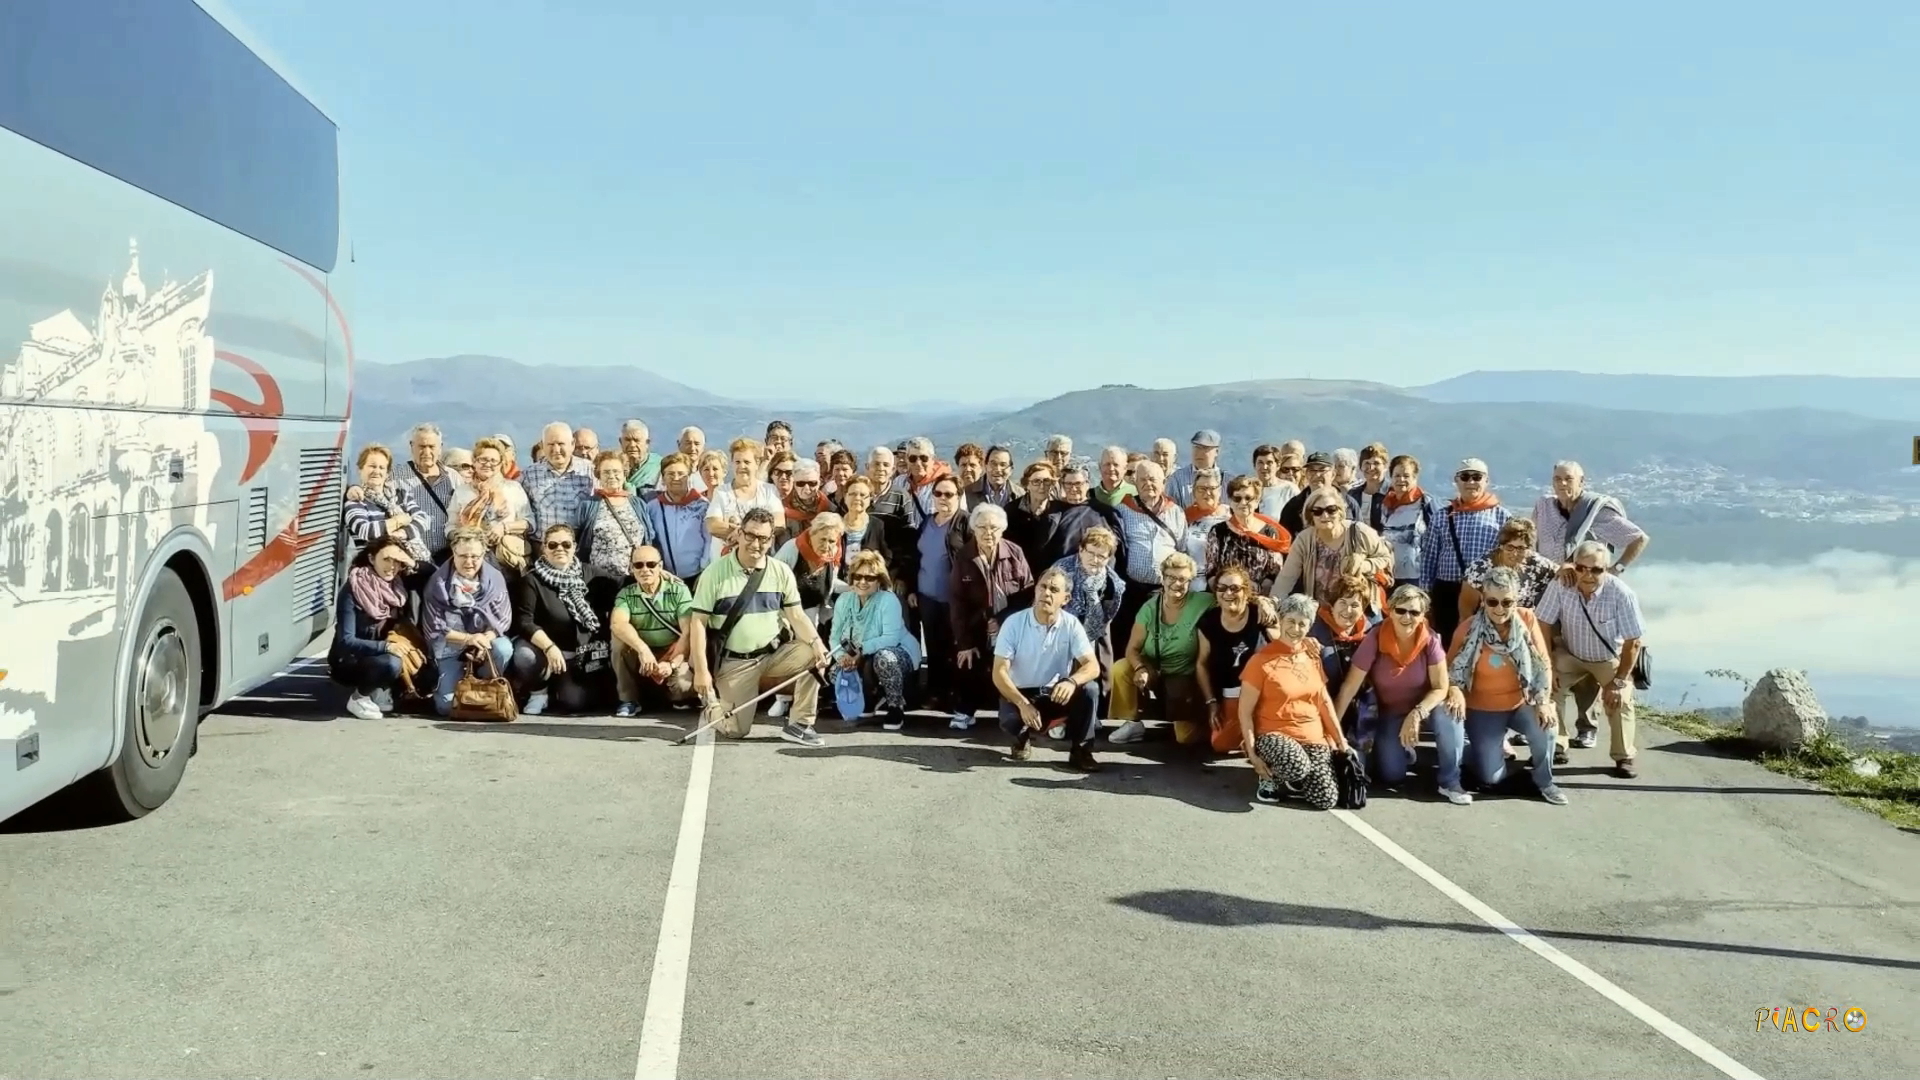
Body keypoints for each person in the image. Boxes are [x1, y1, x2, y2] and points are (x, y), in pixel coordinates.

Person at [685, 507, 831, 746]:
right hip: (735, 662)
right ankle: (711, 704)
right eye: (750, 535)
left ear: (771, 539)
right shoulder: (714, 573)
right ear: (739, 534)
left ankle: (800, 724)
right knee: (735, 730)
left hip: (773, 654)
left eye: (763, 538)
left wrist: (817, 644)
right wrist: (702, 672)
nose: (756, 544)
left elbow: (796, 616)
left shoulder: (781, 571)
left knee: (814, 656)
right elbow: (698, 623)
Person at [1330, 584, 1465, 801]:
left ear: (1423, 615)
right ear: (1390, 611)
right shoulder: (1375, 638)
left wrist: (1417, 713)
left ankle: (1450, 781)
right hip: (1390, 713)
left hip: (1425, 709)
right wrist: (1332, 733)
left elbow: (1441, 687)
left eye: (1414, 612)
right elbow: (1349, 687)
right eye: (1401, 610)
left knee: (1449, 712)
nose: (1407, 617)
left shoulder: (1430, 640)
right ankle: (1404, 750)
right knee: (1392, 776)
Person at [1444, 566, 1566, 805]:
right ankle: (1472, 751)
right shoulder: (1467, 629)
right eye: (1492, 602)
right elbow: (1448, 672)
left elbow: (1542, 663)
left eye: (1507, 602)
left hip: (1520, 702)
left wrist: (1543, 701)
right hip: (1483, 708)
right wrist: (1455, 690)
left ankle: (1544, 781)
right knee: (1491, 777)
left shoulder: (1527, 619)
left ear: (1516, 600)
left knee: (1548, 725)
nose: (1499, 609)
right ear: (1483, 599)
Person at [1535, 539, 1647, 777]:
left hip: (1608, 657)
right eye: (1581, 568)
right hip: (1571, 653)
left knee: (1621, 699)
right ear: (1573, 566)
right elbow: (1543, 623)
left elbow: (1633, 642)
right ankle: (1556, 744)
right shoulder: (1561, 585)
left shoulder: (1621, 594)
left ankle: (1624, 755)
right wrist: (1548, 665)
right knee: (1548, 688)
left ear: (1606, 569)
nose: (1587, 575)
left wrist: (1619, 682)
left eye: (1596, 569)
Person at [1237, 593, 1351, 808]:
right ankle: (1271, 778)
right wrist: (1252, 755)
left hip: (1312, 736)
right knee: (1297, 765)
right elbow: (1245, 712)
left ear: (1309, 627)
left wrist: (1340, 741)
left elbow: (1324, 702)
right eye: (1290, 621)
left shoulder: (1312, 656)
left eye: (1302, 624)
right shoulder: (1260, 661)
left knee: (1325, 799)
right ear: (1280, 620)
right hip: (1273, 734)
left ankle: (1298, 777)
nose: (1296, 629)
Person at [992, 567, 1102, 771]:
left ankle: (1081, 751)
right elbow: (999, 672)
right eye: (1042, 587)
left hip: (1055, 692)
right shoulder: (1013, 623)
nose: (1046, 593)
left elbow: (1092, 666)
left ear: (1066, 598)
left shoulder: (1071, 624)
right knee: (1011, 721)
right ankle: (1021, 738)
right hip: (1021, 693)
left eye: (1054, 589)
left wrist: (1072, 681)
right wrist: (1023, 704)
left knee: (1090, 689)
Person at [1109, 552, 1217, 747]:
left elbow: (1235, 599)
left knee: (1185, 738)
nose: (1177, 583)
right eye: (1171, 577)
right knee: (1121, 668)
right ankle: (1132, 722)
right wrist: (1140, 668)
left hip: (1185, 677)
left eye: (1183, 579)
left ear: (1191, 581)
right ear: (1162, 578)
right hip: (1155, 672)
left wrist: (1262, 602)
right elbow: (1132, 649)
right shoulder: (1149, 608)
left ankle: (1204, 724)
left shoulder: (1203, 602)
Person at [508, 524, 617, 715]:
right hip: (543, 652)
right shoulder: (532, 580)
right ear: (544, 548)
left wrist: (659, 575)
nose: (560, 549)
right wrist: (549, 647)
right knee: (525, 656)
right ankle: (539, 692)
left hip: (578, 655)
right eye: (553, 545)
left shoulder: (591, 574)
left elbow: (624, 584)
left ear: (575, 547)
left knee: (575, 703)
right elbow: (525, 621)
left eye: (566, 544)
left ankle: (559, 686)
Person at [328, 535, 428, 719]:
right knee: (391, 664)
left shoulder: (398, 584)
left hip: (386, 652)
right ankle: (358, 698)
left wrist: (411, 562)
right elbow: (345, 641)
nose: (392, 566)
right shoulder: (353, 589)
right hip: (351, 659)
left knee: (391, 700)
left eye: (396, 561)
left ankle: (385, 687)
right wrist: (386, 647)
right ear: (372, 558)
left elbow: (433, 574)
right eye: (386, 559)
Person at [421, 528, 518, 717]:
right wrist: (469, 639)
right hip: (450, 645)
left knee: (503, 648)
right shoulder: (438, 583)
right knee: (447, 706)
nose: (469, 562)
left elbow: (502, 619)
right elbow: (434, 627)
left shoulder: (495, 579)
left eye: (475, 556)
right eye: (463, 556)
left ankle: (484, 686)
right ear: (453, 552)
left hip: (485, 643)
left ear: (484, 554)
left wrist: (484, 639)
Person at [1193, 563, 1279, 754]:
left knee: (1265, 741)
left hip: (1262, 693)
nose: (1228, 593)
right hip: (1230, 693)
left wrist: (1266, 604)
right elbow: (1201, 664)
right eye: (1222, 588)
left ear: (1246, 592)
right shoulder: (1209, 622)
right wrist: (1211, 702)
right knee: (1221, 744)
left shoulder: (1260, 614)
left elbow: (1282, 647)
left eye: (1235, 588)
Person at [831, 551, 922, 730]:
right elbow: (835, 637)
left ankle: (896, 706)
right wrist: (842, 657)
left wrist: (860, 651)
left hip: (897, 650)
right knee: (836, 671)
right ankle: (868, 699)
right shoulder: (844, 600)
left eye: (869, 578)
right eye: (857, 576)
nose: (862, 582)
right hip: (861, 651)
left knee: (883, 659)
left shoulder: (889, 600)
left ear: (879, 580)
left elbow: (891, 638)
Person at [609, 545, 696, 716]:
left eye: (651, 564)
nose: (645, 570)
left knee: (683, 687)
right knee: (618, 639)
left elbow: (687, 632)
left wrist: (672, 664)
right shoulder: (626, 594)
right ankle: (628, 699)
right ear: (632, 568)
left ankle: (671, 696)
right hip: (642, 653)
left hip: (672, 651)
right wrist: (643, 650)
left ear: (660, 566)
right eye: (638, 565)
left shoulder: (678, 590)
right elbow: (618, 623)